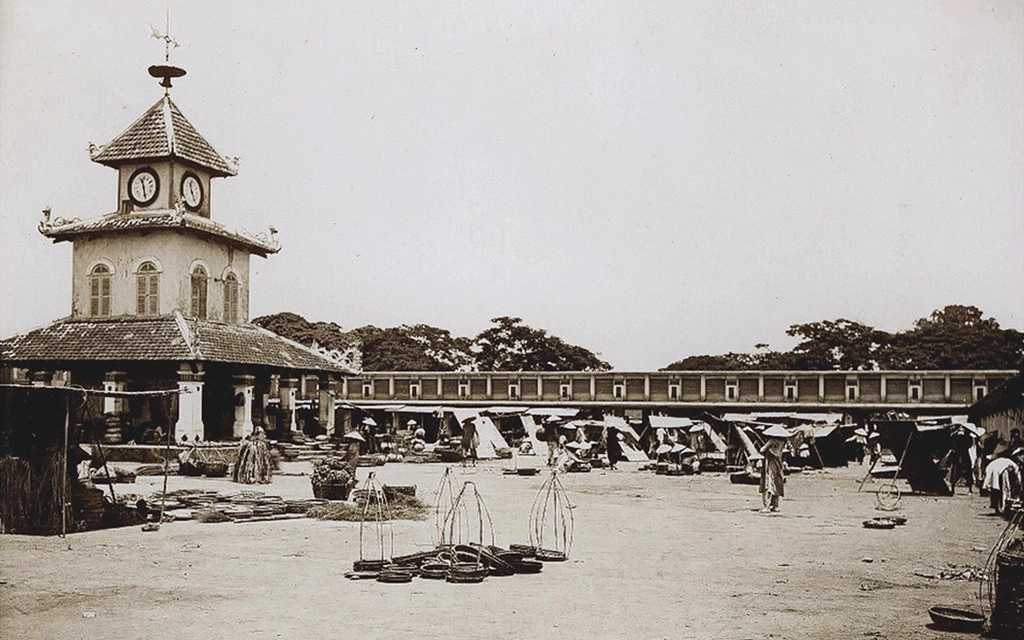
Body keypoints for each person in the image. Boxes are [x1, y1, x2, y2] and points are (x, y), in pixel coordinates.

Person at [759, 425, 791, 512]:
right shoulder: (783, 441)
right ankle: (775, 505)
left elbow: (762, 449)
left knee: (769, 483)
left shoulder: (772, 440)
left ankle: (767, 506)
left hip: (770, 463)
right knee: (777, 483)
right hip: (779, 463)